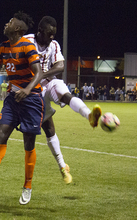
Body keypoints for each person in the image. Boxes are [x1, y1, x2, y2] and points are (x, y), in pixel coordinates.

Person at [0, 11, 54, 205]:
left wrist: (27, 89)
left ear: (17, 28)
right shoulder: (3, 47)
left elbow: (38, 73)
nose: (6, 24)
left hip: (32, 99)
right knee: (2, 131)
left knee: (28, 143)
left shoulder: (27, 45)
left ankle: (27, 186)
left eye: (10, 22)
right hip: (13, 98)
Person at [24, 16, 101, 184]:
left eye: (54, 34)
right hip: (32, 91)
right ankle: (62, 167)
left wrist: (41, 75)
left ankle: (89, 115)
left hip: (48, 83)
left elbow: (60, 66)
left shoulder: (54, 45)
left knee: (64, 92)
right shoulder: (27, 40)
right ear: (40, 31)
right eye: (49, 33)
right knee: (48, 129)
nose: (52, 37)